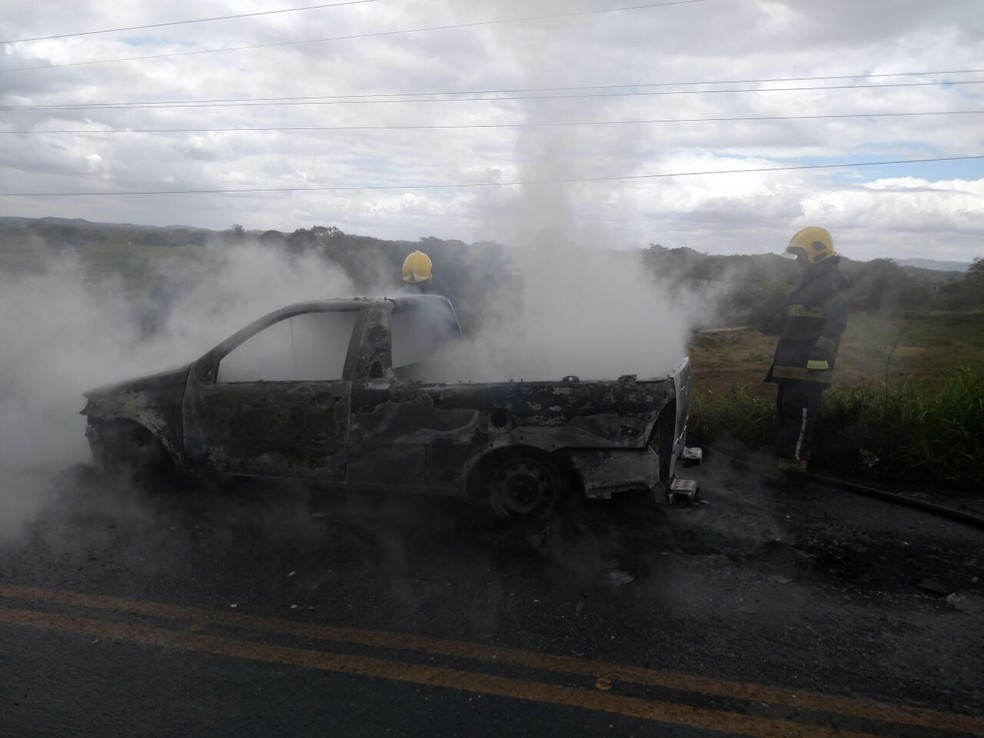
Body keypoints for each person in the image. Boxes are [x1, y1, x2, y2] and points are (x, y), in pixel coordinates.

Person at [765, 227, 849, 473]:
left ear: (817, 252)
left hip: (808, 366)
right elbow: (797, 319)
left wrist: (819, 355)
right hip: (791, 363)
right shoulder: (812, 281)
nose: (798, 261)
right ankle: (785, 459)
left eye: (800, 254)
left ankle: (794, 463)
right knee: (787, 411)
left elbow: (835, 324)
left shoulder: (831, 282)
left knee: (799, 413)